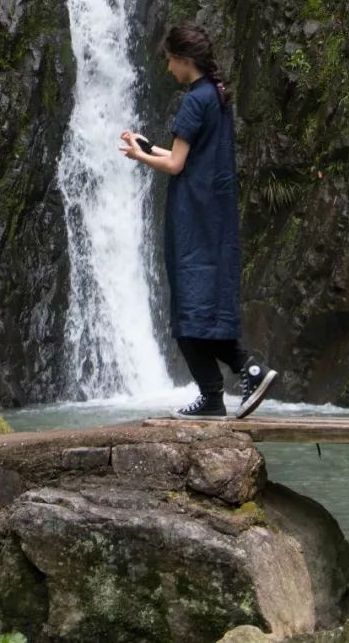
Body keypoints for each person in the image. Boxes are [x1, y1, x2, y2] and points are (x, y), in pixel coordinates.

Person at [120, 21, 278, 418]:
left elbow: (175, 165)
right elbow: (185, 156)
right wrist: (149, 144)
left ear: (184, 60)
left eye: (170, 62)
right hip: (215, 216)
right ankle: (248, 372)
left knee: (187, 315)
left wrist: (140, 157)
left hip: (193, 216)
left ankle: (215, 394)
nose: (168, 69)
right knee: (203, 312)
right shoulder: (216, 97)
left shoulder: (194, 100)